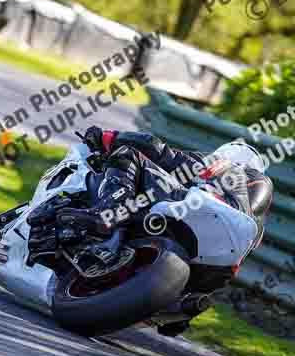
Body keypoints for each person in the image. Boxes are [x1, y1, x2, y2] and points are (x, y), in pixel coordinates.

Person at [58, 126, 273, 336]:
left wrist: (108, 137)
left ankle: (105, 213)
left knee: (129, 154)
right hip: (218, 270)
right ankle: (179, 308)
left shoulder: (226, 167)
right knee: (200, 285)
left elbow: (159, 151)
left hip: (202, 208)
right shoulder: (256, 222)